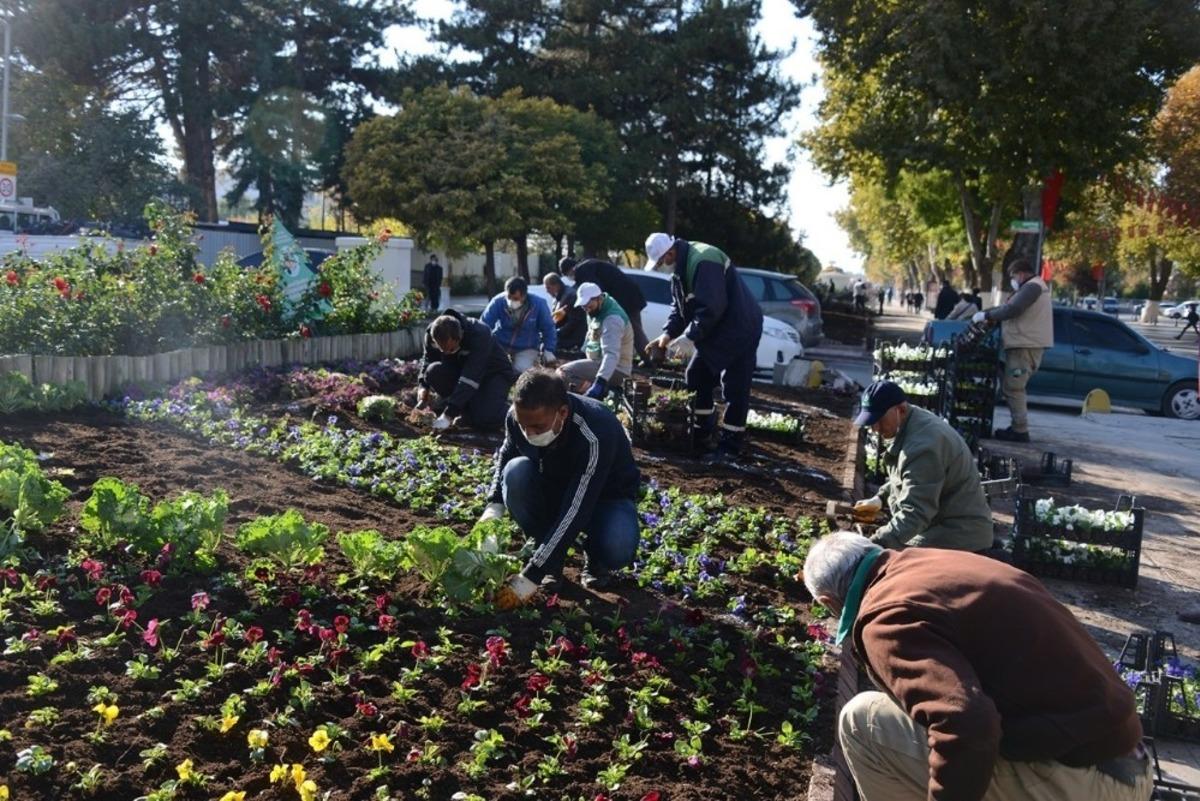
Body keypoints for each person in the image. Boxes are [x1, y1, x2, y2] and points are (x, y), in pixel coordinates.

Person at [803, 532, 1149, 801]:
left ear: (829, 602)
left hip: (1087, 783)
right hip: (1126, 759)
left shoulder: (884, 618)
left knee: (863, 720)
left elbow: (968, 724)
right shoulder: (930, 564)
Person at [482, 369, 641, 608]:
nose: (529, 433)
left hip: (603, 498)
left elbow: (577, 508)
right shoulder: (518, 416)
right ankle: (549, 556)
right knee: (516, 472)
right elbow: (507, 453)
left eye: (537, 426)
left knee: (616, 545)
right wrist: (494, 506)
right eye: (524, 426)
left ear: (562, 412)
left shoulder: (595, 432)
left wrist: (531, 576)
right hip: (552, 485)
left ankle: (595, 559)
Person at [643, 232, 763, 463]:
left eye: (660, 261)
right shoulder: (680, 270)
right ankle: (702, 434)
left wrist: (690, 337)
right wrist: (667, 335)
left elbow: (712, 307)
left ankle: (730, 446)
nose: (661, 266)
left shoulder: (703, 259)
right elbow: (680, 309)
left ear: (670, 252)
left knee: (735, 385)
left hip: (740, 325)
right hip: (720, 326)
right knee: (697, 375)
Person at [852, 381, 993, 552]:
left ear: (901, 409)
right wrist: (881, 498)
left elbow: (915, 513)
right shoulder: (912, 421)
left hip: (957, 534)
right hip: (942, 525)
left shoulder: (923, 447)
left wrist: (872, 546)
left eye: (880, 420)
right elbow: (914, 477)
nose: (875, 429)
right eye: (871, 422)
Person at [972, 259, 1052, 442]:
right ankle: (1017, 427)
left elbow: (1013, 309)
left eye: (1013, 276)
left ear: (1022, 273)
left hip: (1025, 346)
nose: (1013, 280)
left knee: (1014, 388)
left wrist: (986, 315)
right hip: (1023, 344)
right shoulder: (1031, 287)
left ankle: (1020, 431)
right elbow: (1007, 307)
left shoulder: (1032, 287)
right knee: (1012, 387)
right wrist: (989, 313)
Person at [417, 311, 516, 432]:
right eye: (442, 350)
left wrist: (448, 415)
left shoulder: (480, 334)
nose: (446, 353)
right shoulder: (433, 333)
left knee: (485, 418)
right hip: (463, 371)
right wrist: (423, 388)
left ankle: (517, 412)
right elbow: (428, 360)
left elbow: (470, 378)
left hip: (493, 374)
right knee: (433, 371)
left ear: (460, 336)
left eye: (451, 349)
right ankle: (467, 412)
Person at [559, 256, 650, 361]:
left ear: (570, 270)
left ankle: (649, 359)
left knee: (635, 331)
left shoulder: (582, 271)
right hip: (631, 294)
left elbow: (596, 290)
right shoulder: (590, 264)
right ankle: (646, 357)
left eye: (567, 274)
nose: (570, 277)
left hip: (625, 298)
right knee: (635, 330)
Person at [558, 282, 634, 400]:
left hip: (617, 369)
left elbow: (611, 355)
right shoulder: (596, 310)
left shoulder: (612, 320)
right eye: (584, 307)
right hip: (598, 361)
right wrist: (581, 355)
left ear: (598, 299)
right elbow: (590, 335)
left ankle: (592, 398)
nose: (587, 310)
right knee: (565, 371)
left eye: (589, 306)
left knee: (565, 373)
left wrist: (600, 382)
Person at [480, 276, 558, 373]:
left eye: (516, 298)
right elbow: (484, 324)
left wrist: (548, 349)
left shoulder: (539, 304)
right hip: (501, 343)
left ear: (524, 295)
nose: (511, 301)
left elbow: (549, 328)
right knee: (494, 368)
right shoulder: (498, 301)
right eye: (509, 297)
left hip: (527, 346)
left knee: (521, 371)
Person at [543, 272, 587, 352]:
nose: (547, 291)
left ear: (556, 285)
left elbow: (573, 322)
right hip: (565, 334)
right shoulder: (558, 298)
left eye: (548, 288)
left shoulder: (570, 296)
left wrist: (555, 333)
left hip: (573, 338)